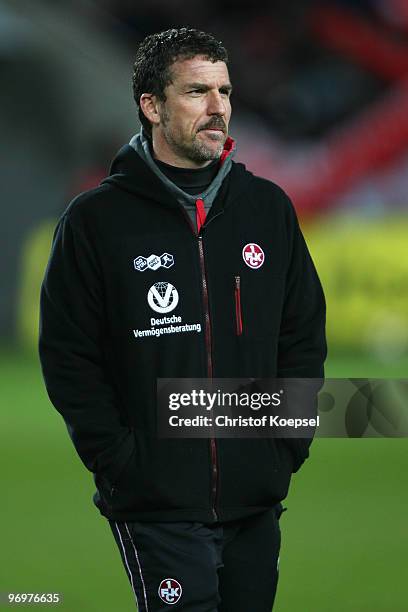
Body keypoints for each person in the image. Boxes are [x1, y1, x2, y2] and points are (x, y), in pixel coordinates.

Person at [39, 27, 326, 612]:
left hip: (255, 496)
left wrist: (286, 444)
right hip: (156, 504)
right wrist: (122, 462)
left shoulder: (267, 207)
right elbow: (69, 357)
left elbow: (302, 338)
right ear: (151, 105)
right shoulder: (96, 221)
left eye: (224, 90)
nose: (217, 106)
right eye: (197, 92)